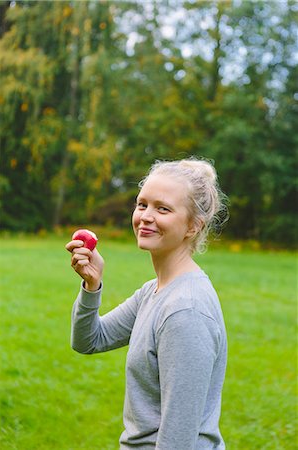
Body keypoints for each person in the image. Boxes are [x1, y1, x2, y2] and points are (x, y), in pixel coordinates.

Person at [66, 157, 228, 450]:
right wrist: (92, 285)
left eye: (163, 208)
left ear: (193, 226)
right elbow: (88, 340)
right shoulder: (153, 291)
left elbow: (177, 439)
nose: (146, 216)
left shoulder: (186, 311)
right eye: (143, 204)